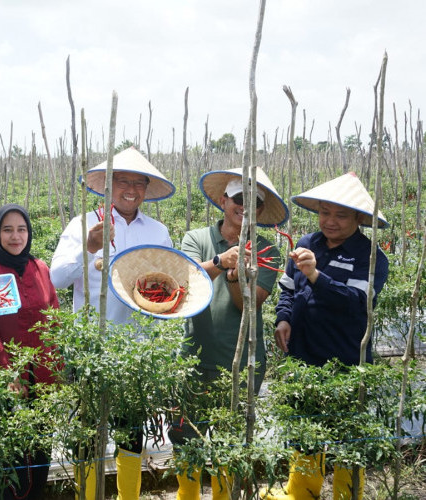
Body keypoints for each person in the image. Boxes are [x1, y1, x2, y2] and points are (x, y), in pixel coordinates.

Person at [51, 146, 174, 500]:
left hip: (136, 348)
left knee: (131, 430)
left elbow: (169, 284)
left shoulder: (158, 231)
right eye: (122, 181)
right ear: (107, 184)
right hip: (89, 346)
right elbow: (56, 279)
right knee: (87, 431)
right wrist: (88, 249)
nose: (130, 189)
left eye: (139, 182)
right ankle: (87, 495)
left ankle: (129, 496)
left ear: (147, 189)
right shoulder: (83, 224)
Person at [263, 172, 389, 500]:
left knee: (348, 439)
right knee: (303, 436)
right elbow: (288, 290)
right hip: (303, 357)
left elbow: (357, 303)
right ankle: (301, 493)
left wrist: (316, 275)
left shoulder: (371, 256)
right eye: (324, 212)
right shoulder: (305, 244)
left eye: (341, 215)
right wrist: (283, 319)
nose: (330, 221)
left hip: (347, 363)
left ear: (359, 218)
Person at [174, 167, 289, 500]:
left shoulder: (267, 250)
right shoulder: (197, 239)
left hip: (242, 366)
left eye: (254, 202)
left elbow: (248, 305)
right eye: (239, 198)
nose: (245, 206)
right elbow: (184, 283)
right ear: (224, 201)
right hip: (193, 359)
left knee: (232, 441)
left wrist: (237, 274)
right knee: (186, 440)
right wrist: (221, 261)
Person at [0, 203, 60, 499]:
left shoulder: (40, 268)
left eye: (21, 229)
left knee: (37, 455)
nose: (15, 236)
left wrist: (57, 369)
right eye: (7, 229)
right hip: (0, 380)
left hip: (41, 379)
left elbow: (55, 319)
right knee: (3, 459)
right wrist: (9, 374)